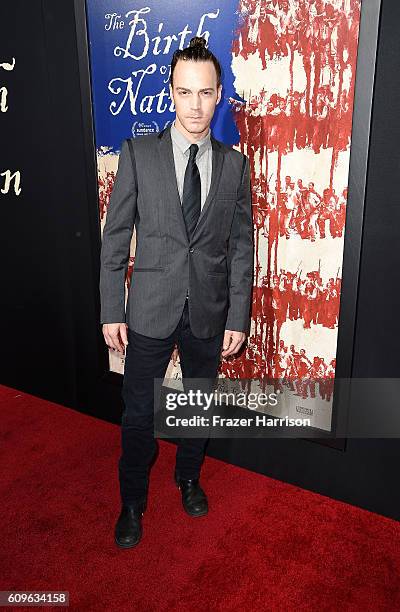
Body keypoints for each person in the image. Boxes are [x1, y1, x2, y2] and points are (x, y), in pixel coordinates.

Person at [100, 36, 254, 548]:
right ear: (170, 93)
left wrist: (237, 317)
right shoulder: (138, 154)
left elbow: (239, 248)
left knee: (198, 405)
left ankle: (188, 477)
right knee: (139, 412)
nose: (194, 105)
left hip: (208, 311)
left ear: (218, 95)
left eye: (205, 92)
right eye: (184, 92)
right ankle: (132, 501)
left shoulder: (235, 165)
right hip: (147, 307)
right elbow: (116, 237)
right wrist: (110, 307)